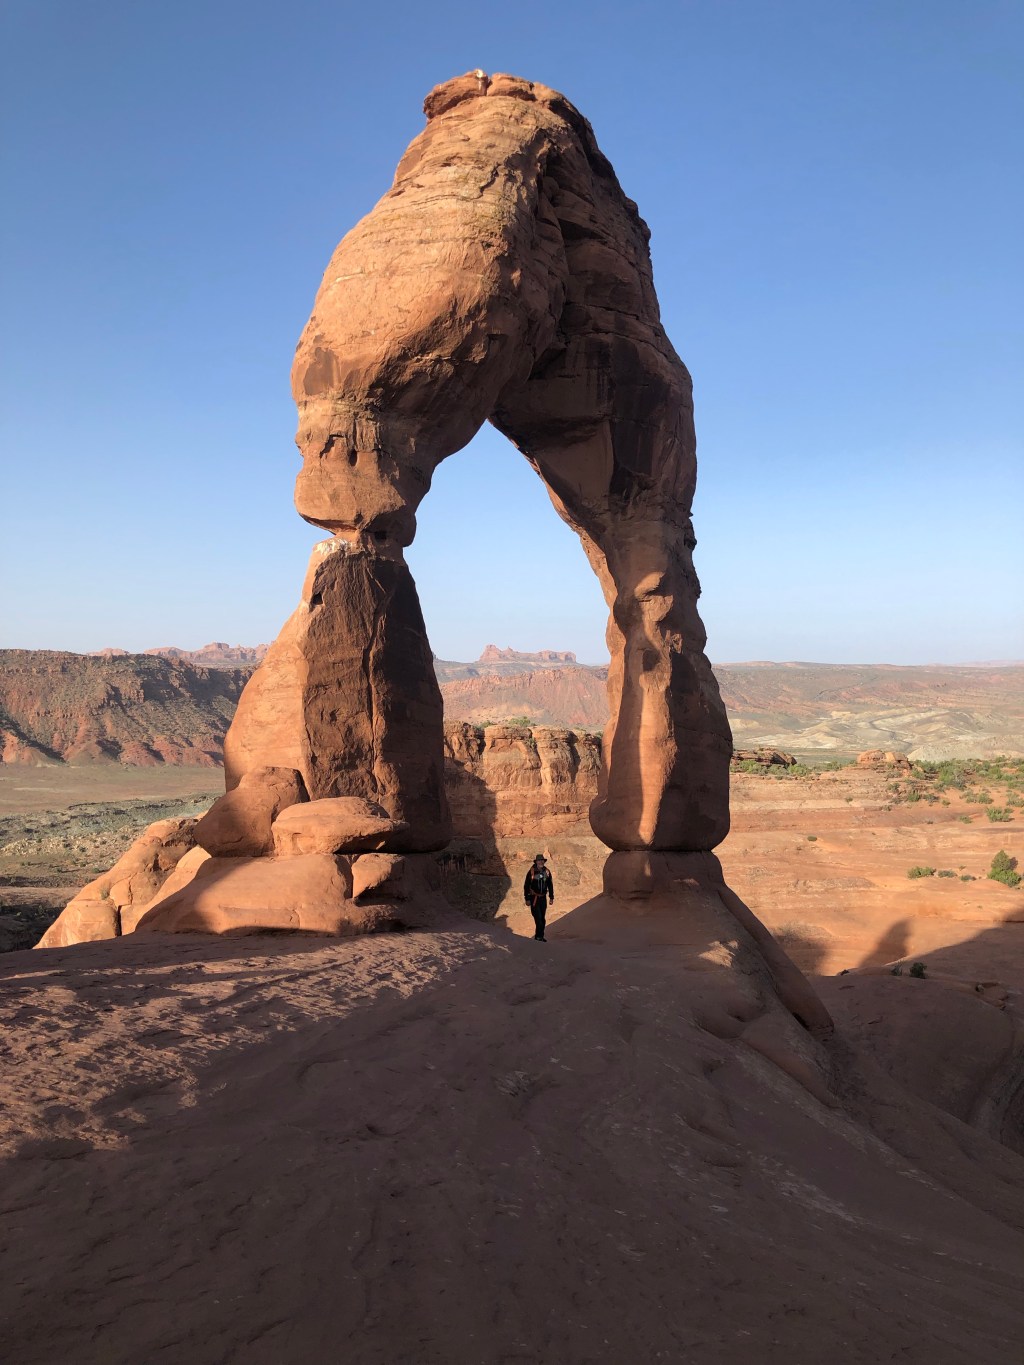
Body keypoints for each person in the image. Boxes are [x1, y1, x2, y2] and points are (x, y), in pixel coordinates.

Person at [523, 854, 554, 941]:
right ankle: (538, 937)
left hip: (543, 898)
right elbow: (526, 885)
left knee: (542, 919)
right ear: (536, 862)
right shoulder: (531, 872)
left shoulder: (547, 872)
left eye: (542, 860)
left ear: (544, 861)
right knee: (538, 918)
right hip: (534, 898)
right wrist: (527, 898)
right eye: (539, 860)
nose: (541, 862)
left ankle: (540, 936)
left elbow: (550, 885)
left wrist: (551, 897)